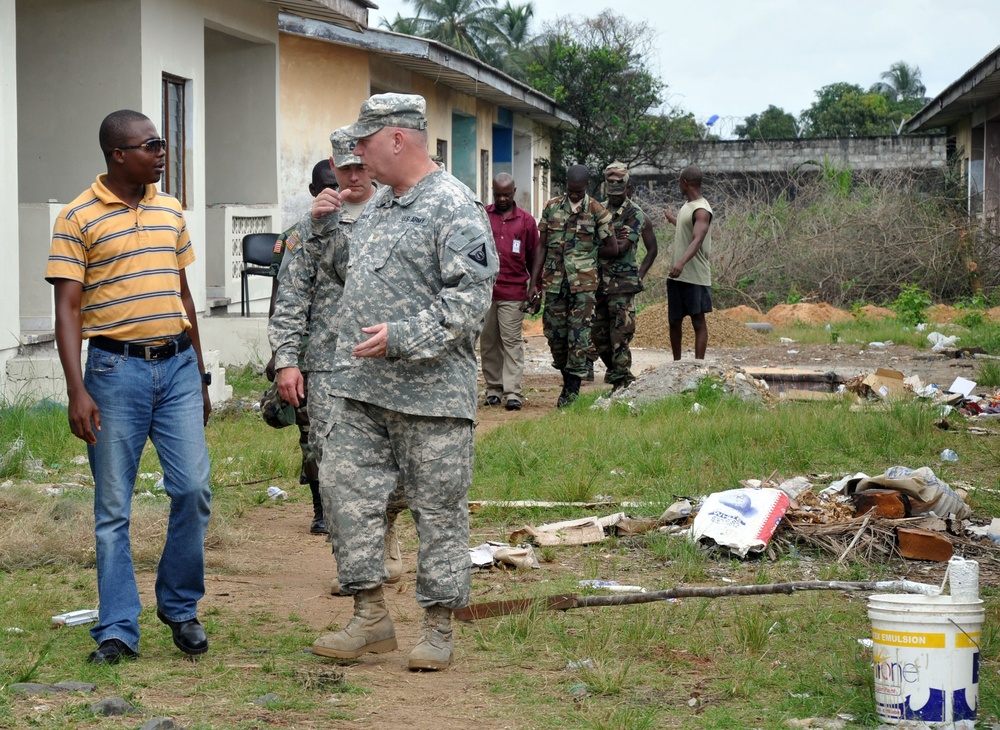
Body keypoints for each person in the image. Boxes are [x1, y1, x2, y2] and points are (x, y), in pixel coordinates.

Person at [309, 94, 497, 671]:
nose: (357, 155)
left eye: (365, 142)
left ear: (397, 139)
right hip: (360, 390)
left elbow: (470, 299)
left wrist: (402, 336)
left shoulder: (454, 206)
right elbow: (346, 278)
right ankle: (369, 616)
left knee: (438, 511)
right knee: (346, 498)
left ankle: (438, 627)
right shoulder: (381, 207)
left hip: (431, 395)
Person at [45, 110, 212, 665]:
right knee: (113, 507)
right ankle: (117, 628)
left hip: (178, 368)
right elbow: (67, 309)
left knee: (192, 489)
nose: (162, 152)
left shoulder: (169, 208)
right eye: (151, 145)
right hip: (115, 374)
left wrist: (201, 372)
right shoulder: (78, 217)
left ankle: (180, 607)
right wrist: (76, 388)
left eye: (161, 144)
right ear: (119, 154)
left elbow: (183, 292)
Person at [269, 132, 406, 595]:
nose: (353, 176)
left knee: (401, 465)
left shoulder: (400, 213)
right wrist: (287, 360)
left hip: (391, 358)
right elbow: (289, 298)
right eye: (344, 168)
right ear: (334, 166)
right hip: (329, 365)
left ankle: (386, 529)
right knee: (334, 470)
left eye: (359, 165)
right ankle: (356, 567)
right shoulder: (309, 228)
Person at [265, 159, 338, 535]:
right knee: (311, 433)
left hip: (351, 348)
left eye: (339, 185)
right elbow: (282, 298)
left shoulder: (363, 227)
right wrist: (281, 355)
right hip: (308, 352)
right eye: (327, 186)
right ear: (313, 192)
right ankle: (320, 506)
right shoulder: (295, 237)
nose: (335, 192)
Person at [528, 164, 615, 407]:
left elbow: (613, 247)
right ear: (566, 186)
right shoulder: (552, 207)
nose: (574, 195)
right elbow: (541, 246)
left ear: (585, 187)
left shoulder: (598, 211)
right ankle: (567, 379)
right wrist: (534, 282)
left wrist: (588, 260)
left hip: (583, 288)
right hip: (555, 283)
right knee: (555, 335)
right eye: (571, 190)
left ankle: (571, 391)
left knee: (578, 337)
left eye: (578, 191)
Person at [591, 162, 657, 391]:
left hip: (623, 285)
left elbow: (621, 247)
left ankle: (621, 383)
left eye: (619, 192)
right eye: (612, 193)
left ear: (627, 188)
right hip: (600, 284)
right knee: (598, 336)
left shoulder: (634, 213)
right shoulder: (599, 210)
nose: (616, 197)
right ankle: (619, 375)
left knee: (620, 336)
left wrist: (639, 275)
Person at [479, 172, 539, 411]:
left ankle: (513, 392)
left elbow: (535, 256)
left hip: (514, 292)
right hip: (486, 291)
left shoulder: (525, 221)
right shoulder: (483, 215)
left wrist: (536, 286)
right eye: (497, 194)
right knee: (488, 341)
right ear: (492, 192)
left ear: (514, 192)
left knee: (511, 342)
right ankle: (494, 389)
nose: (502, 199)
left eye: (506, 194)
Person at [662, 166, 713, 360]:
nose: (678, 185)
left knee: (698, 322)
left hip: (694, 276)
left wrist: (681, 263)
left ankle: (698, 366)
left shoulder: (702, 209)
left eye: (679, 182)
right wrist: (673, 220)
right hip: (677, 276)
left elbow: (698, 238)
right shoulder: (688, 206)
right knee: (674, 321)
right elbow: (687, 229)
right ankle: (677, 363)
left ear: (685, 183)